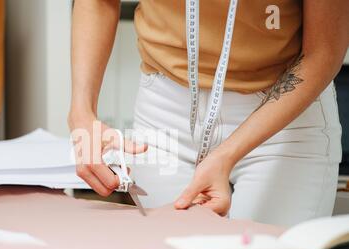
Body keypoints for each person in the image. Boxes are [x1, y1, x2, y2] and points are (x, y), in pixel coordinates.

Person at [68, 0, 349, 227]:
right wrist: (82, 112)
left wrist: (226, 155)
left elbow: (323, 52)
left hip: (281, 121)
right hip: (165, 113)